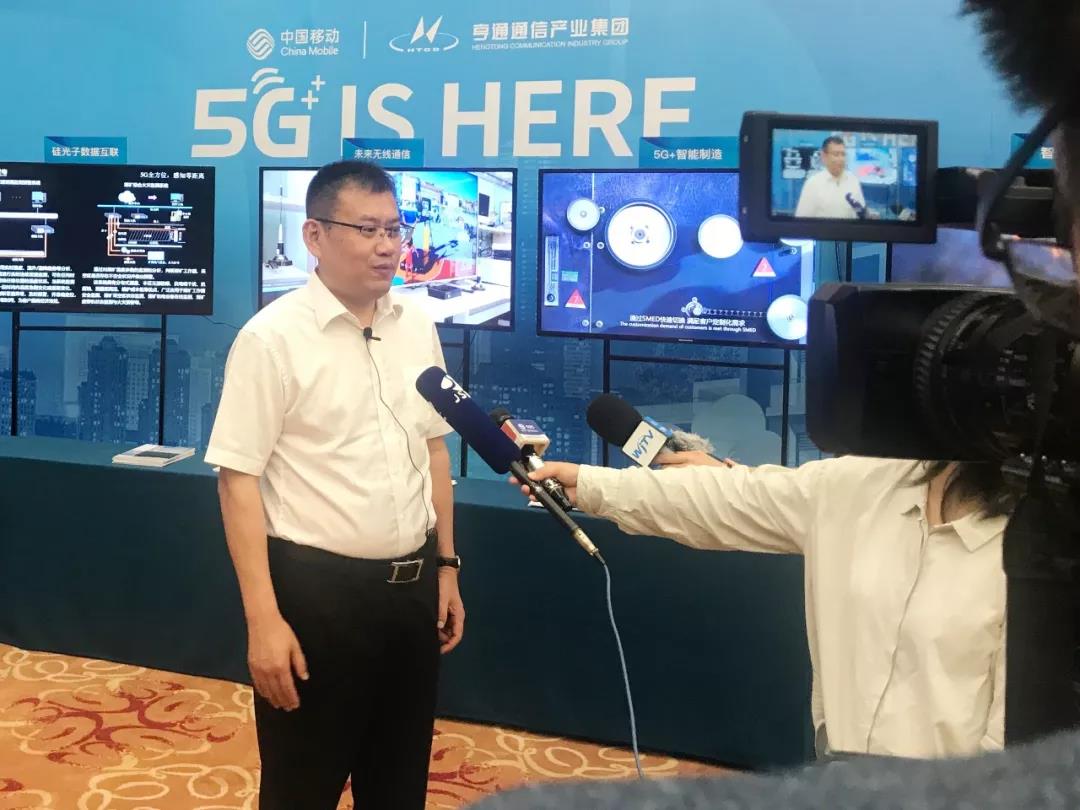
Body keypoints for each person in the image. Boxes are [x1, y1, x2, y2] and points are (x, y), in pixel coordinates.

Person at [205, 159, 464, 810]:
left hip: (410, 594)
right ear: (314, 236)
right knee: (303, 785)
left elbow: (434, 449)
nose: (387, 246)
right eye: (367, 229)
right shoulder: (271, 339)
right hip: (318, 600)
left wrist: (447, 566)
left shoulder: (417, 325)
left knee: (398, 780)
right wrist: (263, 621)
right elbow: (238, 482)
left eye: (395, 230)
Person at [515, 455, 1014, 759]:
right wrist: (591, 485)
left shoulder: (1036, 548)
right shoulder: (864, 484)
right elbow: (730, 499)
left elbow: (1014, 743)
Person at [794, 136, 868, 219]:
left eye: (843, 154)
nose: (841, 159)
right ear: (824, 156)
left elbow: (861, 211)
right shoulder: (813, 184)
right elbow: (802, 220)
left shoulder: (853, 180)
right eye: (836, 154)